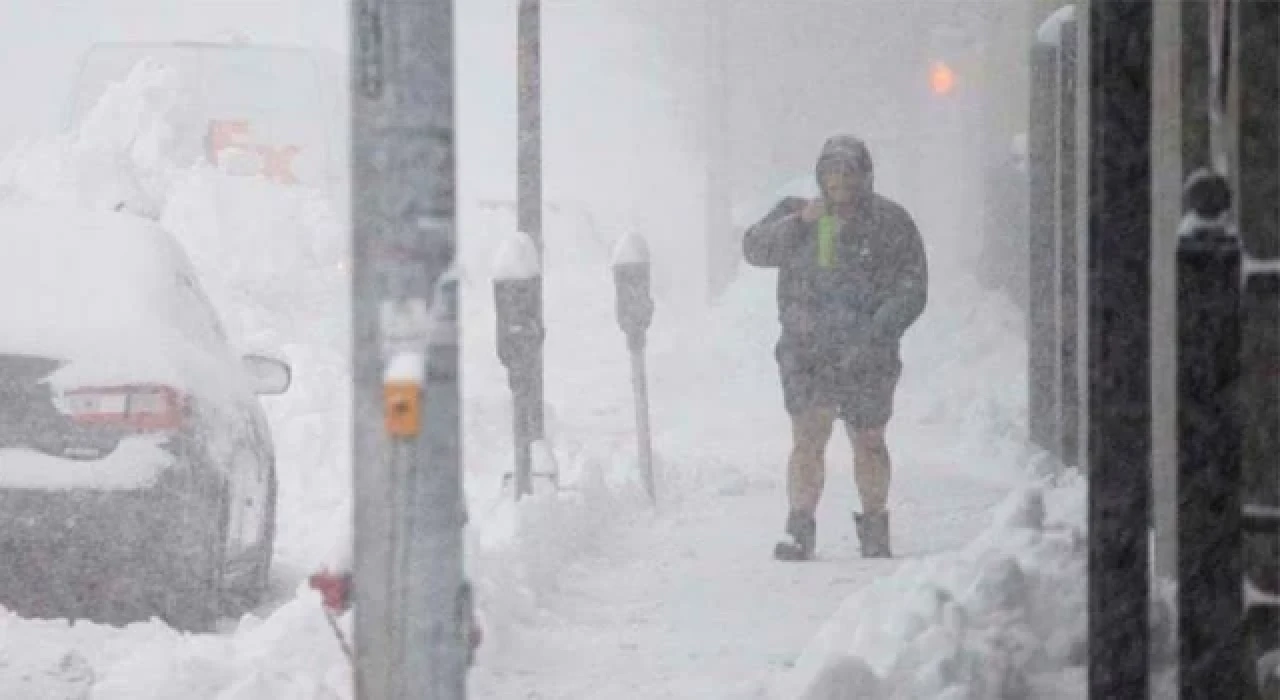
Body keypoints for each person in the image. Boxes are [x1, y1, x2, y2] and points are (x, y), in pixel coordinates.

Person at [742, 134, 928, 561]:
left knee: (869, 440)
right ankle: (799, 528)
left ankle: (875, 526)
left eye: (848, 172)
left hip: (869, 354)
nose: (839, 181)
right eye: (830, 172)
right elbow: (754, 248)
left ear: (864, 175)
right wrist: (801, 223)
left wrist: (879, 329)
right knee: (808, 438)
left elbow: (913, 286)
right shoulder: (798, 215)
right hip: (807, 351)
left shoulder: (890, 222)